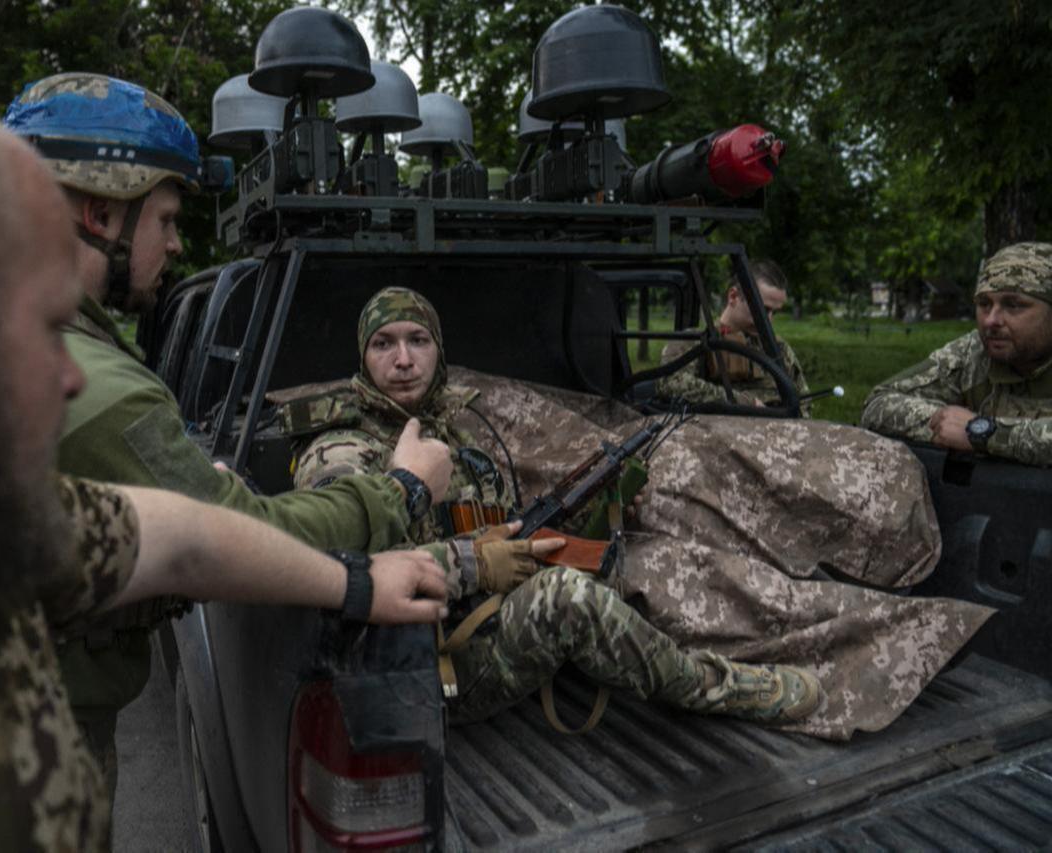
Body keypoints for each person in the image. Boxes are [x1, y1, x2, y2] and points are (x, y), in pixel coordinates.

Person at [0, 64, 447, 850]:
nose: (68, 376)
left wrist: (356, 580)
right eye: (37, 330)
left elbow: (180, 535)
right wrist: (397, 490)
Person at [1, 72, 453, 794]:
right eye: (167, 218)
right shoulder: (92, 388)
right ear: (98, 211)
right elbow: (232, 535)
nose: (178, 243)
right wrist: (400, 487)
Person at [287, 287, 996, 740]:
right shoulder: (344, 449)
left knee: (625, 560)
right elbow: (345, 566)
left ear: (440, 352)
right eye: (385, 344)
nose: (403, 359)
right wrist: (479, 562)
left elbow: (490, 521)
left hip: (485, 615)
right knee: (568, 595)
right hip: (422, 666)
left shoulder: (464, 430)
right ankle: (747, 692)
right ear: (363, 357)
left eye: (418, 341)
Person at [862, 242, 1052, 465]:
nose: (991, 320)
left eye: (1014, 305)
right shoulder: (974, 353)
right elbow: (878, 404)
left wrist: (982, 433)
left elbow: (976, 433)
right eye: (984, 304)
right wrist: (942, 423)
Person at [655, 259, 811, 411]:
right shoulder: (694, 341)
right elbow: (670, 384)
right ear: (733, 296)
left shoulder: (779, 348)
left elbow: (803, 403)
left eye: (774, 312)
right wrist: (743, 402)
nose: (768, 319)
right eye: (763, 309)